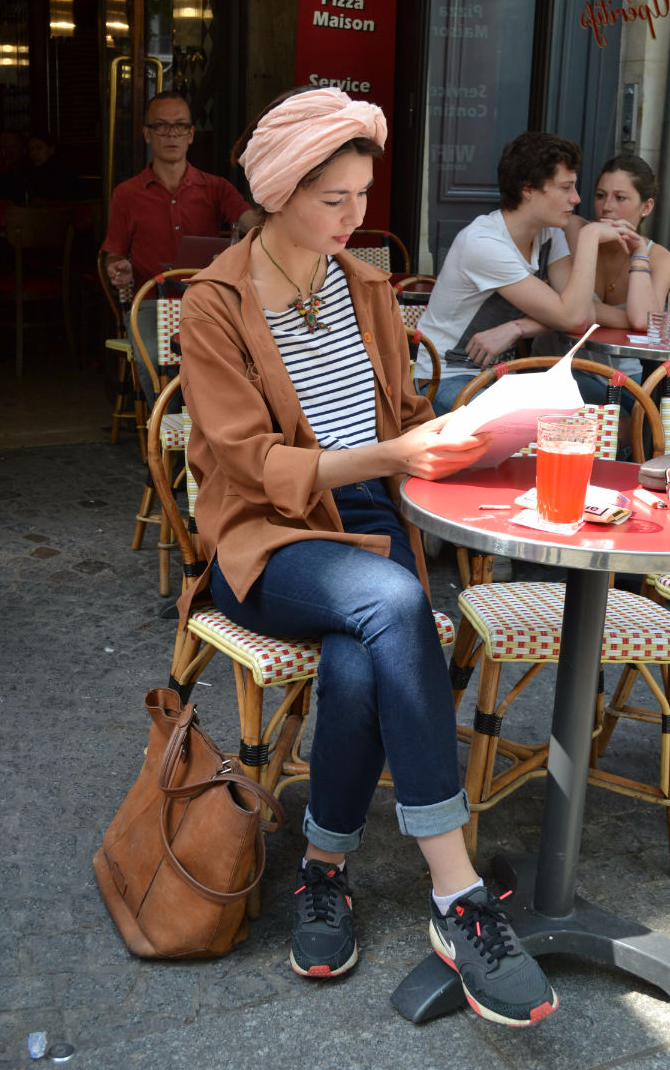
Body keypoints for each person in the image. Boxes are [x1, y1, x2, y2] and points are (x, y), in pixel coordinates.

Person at [175, 86, 560, 1028]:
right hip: (265, 540)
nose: (354, 220)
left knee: (362, 652)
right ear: (274, 192)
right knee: (390, 602)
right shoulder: (215, 305)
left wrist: (485, 436)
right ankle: (457, 893)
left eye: (360, 195)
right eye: (331, 199)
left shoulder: (362, 286)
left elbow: (404, 423)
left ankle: (323, 869)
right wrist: (390, 457)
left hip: (368, 536)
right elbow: (253, 465)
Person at [416, 131, 632, 416]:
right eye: (566, 188)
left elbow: (580, 312)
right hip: (447, 379)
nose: (576, 199)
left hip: (502, 376)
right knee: (548, 430)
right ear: (528, 188)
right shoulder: (485, 244)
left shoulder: (549, 233)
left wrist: (518, 328)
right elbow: (574, 317)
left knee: (625, 414)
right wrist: (590, 237)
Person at [101, 91, 259, 404]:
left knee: (239, 359)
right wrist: (118, 267)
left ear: (191, 135)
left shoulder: (216, 188)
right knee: (154, 362)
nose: (171, 134)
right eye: (161, 126)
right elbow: (114, 252)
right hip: (150, 302)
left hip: (209, 301)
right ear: (147, 134)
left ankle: (207, 436)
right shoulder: (127, 194)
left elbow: (251, 222)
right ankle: (170, 439)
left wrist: (280, 198)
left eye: (180, 126)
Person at [564, 154, 670, 411]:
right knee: (619, 419)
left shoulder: (659, 256)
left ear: (647, 207)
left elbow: (644, 321)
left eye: (620, 198)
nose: (607, 207)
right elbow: (565, 311)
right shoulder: (576, 231)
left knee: (644, 417)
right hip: (570, 368)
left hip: (628, 378)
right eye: (601, 195)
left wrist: (639, 254)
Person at [25, 132, 87, 202]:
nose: (34, 153)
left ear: (51, 149)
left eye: (39, 148)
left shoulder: (62, 172)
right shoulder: (30, 171)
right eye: (31, 149)